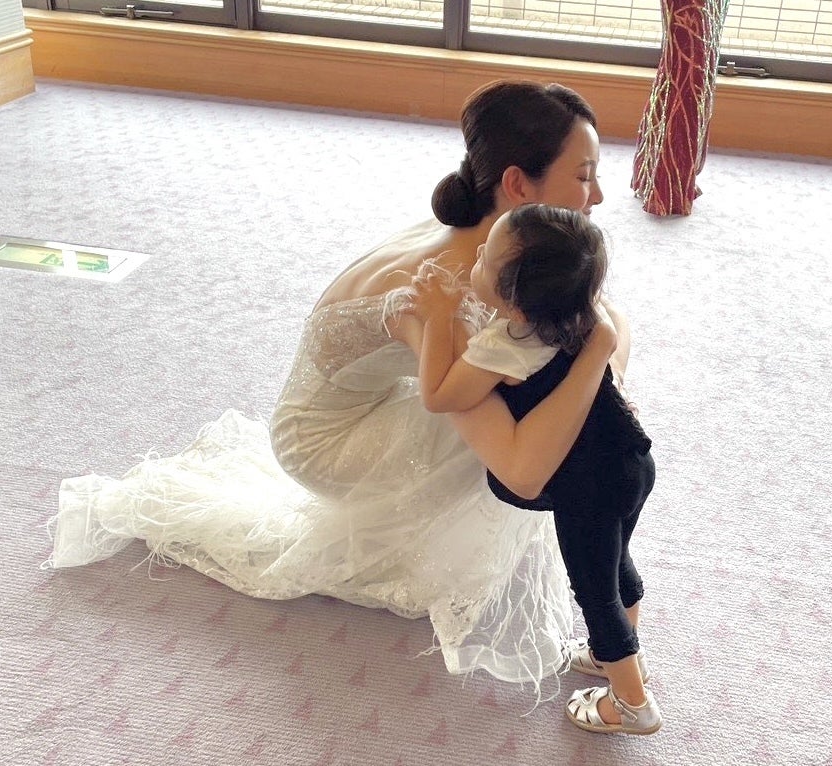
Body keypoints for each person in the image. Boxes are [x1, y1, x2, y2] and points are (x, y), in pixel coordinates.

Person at [46, 79, 629, 696]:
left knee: (539, 378)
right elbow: (524, 470)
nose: (597, 195)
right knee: (534, 413)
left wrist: (597, 355)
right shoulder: (456, 290)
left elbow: (597, 315)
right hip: (323, 442)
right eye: (584, 176)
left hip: (370, 398)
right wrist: (597, 362)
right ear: (517, 185)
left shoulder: (487, 241)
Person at [407, 204, 659, 735]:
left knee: (595, 591)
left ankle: (632, 704)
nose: (477, 254)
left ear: (518, 306)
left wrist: (438, 317)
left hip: (586, 487)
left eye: (486, 260)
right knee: (616, 563)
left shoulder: (508, 344)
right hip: (633, 463)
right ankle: (611, 655)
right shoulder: (583, 317)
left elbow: (439, 395)